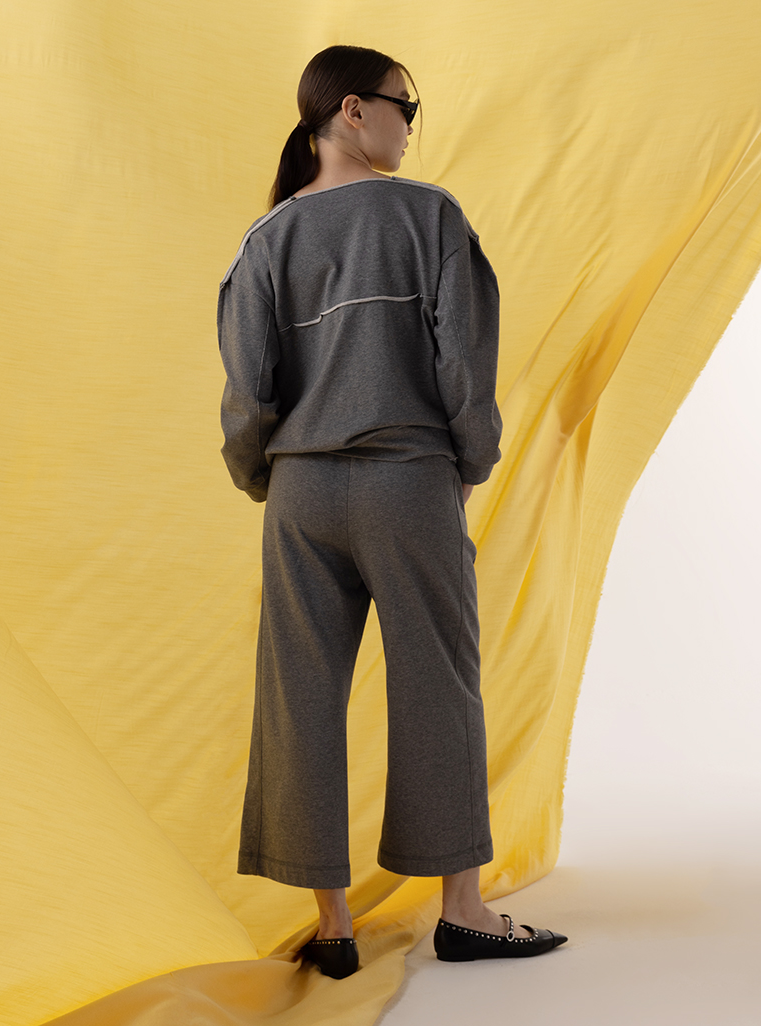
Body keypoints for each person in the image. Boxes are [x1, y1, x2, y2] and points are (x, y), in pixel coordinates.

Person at [217, 44, 567, 979]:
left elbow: (247, 395)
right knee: (437, 687)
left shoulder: (265, 239)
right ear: (352, 111)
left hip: (301, 494)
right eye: (403, 107)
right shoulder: (428, 216)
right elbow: (466, 365)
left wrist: (267, 480)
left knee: (298, 698)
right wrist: (468, 462)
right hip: (408, 480)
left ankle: (334, 929)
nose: (410, 126)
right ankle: (463, 912)